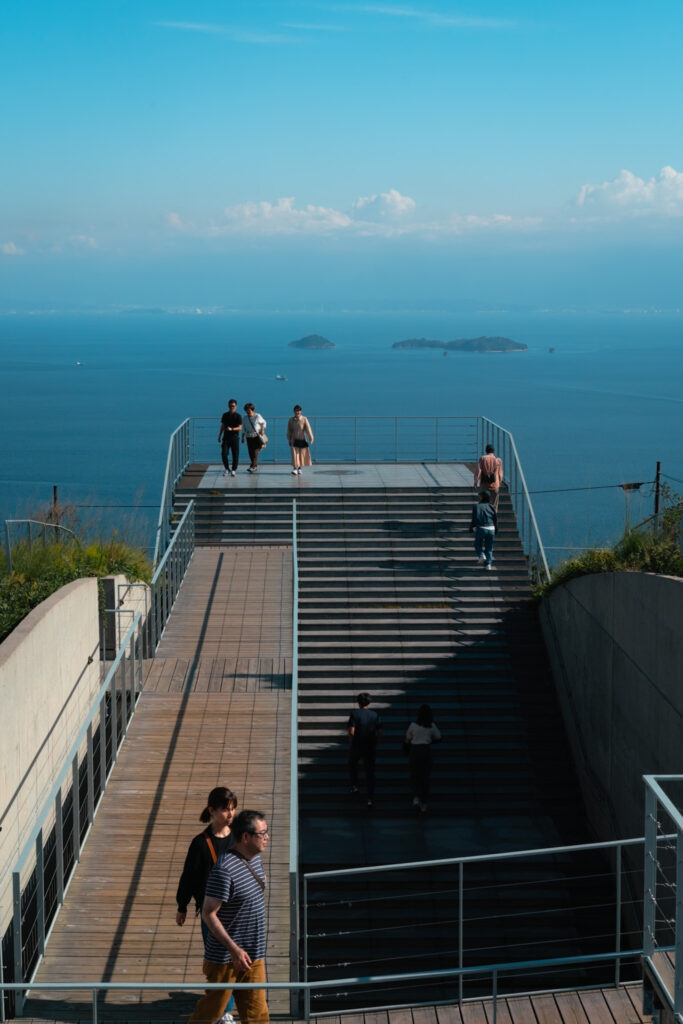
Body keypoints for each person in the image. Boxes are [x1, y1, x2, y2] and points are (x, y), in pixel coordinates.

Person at [189, 810, 270, 1024]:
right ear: (246, 837)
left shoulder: (256, 860)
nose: (267, 837)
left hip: (254, 955)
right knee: (210, 1013)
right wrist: (234, 950)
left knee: (258, 1016)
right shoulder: (224, 869)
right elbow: (208, 913)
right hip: (225, 959)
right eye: (262, 833)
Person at [176, 787, 239, 1024]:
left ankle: (225, 1003)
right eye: (225, 810)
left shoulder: (238, 837)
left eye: (233, 809)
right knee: (219, 961)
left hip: (237, 911)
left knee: (235, 959)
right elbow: (189, 878)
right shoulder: (200, 844)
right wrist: (181, 906)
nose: (230, 814)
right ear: (212, 811)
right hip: (211, 913)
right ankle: (224, 1010)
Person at [405, 704, 441, 814]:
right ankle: (424, 804)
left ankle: (416, 797)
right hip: (426, 750)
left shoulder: (413, 725)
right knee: (425, 776)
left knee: (415, 774)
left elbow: (407, 739)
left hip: (415, 751)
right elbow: (439, 737)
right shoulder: (431, 726)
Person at [348, 692, 382, 807]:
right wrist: (375, 743)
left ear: (358, 703)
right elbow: (379, 732)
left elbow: (351, 731)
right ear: (369, 702)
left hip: (357, 745)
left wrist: (352, 743)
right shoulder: (375, 715)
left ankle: (354, 786)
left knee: (352, 764)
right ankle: (370, 799)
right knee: (370, 772)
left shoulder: (354, 714)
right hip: (370, 746)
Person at [469, 489, 498, 570]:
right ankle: (488, 565)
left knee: (477, 544)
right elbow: (495, 518)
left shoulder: (477, 506)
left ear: (482, 497)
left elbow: (474, 519)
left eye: (480, 495)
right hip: (491, 528)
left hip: (482, 527)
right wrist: (496, 529)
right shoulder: (492, 506)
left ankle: (481, 555)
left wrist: (472, 528)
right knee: (489, 548)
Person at [286, 405, 314, 475]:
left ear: (301, 411)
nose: (297, 412)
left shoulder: (304, 419)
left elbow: (308, 429)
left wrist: (311, 438)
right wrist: (289, 439)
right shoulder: (291, 420)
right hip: (294, 439)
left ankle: (299, 468)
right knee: (295, 454)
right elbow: (289, 430)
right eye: (296, 411)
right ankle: (295, 468)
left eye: (298, 411)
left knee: (301, 454)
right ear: (294, 411)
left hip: (302, 438)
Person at [473, 444, 503, 510]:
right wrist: (499, 483)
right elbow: (500, 475)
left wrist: (475, 482)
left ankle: (483, 516)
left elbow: (478, 471)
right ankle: (493, 518)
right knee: (494, 505)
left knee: (482, 503)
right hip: (495, 485)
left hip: (484, 485)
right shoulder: (498, 460)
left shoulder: (482, 459)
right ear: (493, 451)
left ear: (486, 451)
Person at [218, 399, 242, 477]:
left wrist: (232, 429)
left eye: (233, 406)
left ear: (236, 406)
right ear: (228, 406)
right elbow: (223, 426)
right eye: (230, 406)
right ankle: (226, 468)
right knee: (224, 453)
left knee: (235, 454)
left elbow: (240, 427)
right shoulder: (225, 415)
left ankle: (234, 469)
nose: (232, 407)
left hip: (234, 438)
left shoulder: (238, 416)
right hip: (226, 437)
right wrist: (219, 435)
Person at [242, 403, 267, 474]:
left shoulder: (257, 416)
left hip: (256, 436)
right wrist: (242, 437)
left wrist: (262, 429)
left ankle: (253, 466)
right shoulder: (245, 418)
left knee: (255, 452)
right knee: (250, 452)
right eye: (246, 410)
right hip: (248, 436)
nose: (247, 411)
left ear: (252, 409)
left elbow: (264, 423)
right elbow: (244, 428)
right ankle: (253, 465)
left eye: (249, 410)